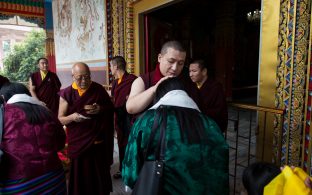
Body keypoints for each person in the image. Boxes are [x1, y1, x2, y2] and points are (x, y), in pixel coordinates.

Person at [122, 77, 229, 195]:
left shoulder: (146, 121)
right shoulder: (211, 124)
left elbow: (130, 174)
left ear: (159, 95)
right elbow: (221, 170)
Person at [58, 62, 114, 195]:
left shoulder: (98, 89)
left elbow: (110, 108)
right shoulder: (66, 93)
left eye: (87, 76)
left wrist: (100, 109)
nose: (84, 80)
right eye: (80, 77)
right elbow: (60, 119)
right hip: (78, 142)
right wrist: (72, 117)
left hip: (97, 141)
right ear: (73, 76)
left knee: (98, 174)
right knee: (80, 176)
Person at [0, 82, 66, 194]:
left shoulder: (4, 113)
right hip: (55, 178)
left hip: (20, 185)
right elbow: (60, 143)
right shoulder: (46, 111)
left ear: (3, 97)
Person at [126, 40, 200, 115]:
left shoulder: (187, 81)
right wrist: (155, 88)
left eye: (180, 63)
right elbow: (130, 108)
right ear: (159, 58)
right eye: (171, 61)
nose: (175, 68)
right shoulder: (143, 80)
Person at [110, 56, 137, 179]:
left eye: (111, 66)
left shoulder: (133, 80)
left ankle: (132, 169)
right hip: (119, 118)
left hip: (129, 118)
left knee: (130, 144)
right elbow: (114, 100)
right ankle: (122, 169)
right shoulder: (115, 82)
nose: (110, 68)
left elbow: (137, 97)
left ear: (116, 67)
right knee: (121, 144)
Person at [189, 59, 228, 132]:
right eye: (190, 71)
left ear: (204, 71)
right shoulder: (192, 86)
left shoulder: (216, 87)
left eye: (194, 71)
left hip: (211, 127)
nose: (190, 75)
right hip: (195, 126)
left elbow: (219, 110)